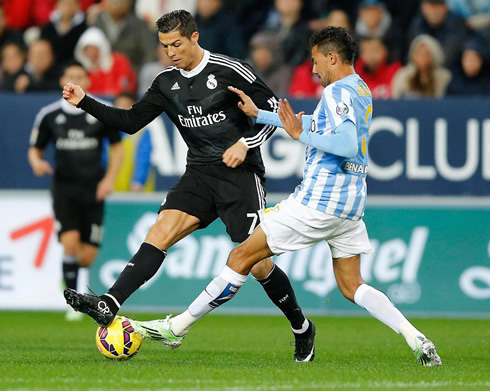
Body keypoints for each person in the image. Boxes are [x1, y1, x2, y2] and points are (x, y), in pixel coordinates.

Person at [130, 26, 443, 367]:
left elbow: (346, 143)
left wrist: (297, 135)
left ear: (332, 57)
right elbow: (320, 126)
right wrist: (261, 114)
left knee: (241, 257)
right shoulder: (361, 89)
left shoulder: (337, 91)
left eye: (315, 61)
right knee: (353, 286)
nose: (312, 70)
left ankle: (177, 327)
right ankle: (416, 338)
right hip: (350, 205)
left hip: (319, 202)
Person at [62, 9, 315, 362]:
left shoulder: (230, 70)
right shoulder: (166, 83)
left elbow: (274, 113)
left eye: (177, 44)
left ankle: (302, 327)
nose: (171, 52)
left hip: (240, 176)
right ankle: (109, 303)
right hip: (198, 174)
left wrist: (245, 144)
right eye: (165, 46)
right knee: (160, 230)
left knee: (257, 264)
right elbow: (132, 121)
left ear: (195, 38)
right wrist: (85, 101)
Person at [27, 60, 123, 321]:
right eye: (70, 75)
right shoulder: (49, 115)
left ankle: (70, 278)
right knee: (69, 244)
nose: (75, 79)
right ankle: (73, 300)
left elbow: (117, 148)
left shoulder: (98, 112)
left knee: (87, 256)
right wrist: (37, 162)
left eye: (80, 76)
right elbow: (35, 148)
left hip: (94, 190)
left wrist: (109, 180)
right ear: (62, 81)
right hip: (64, 190)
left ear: (88, 81)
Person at [392, 34, 451, 99]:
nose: (423, 58)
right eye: (419, 53)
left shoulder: (443, 77)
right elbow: (396, 98)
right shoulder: (403, 76)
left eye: (427, 54)